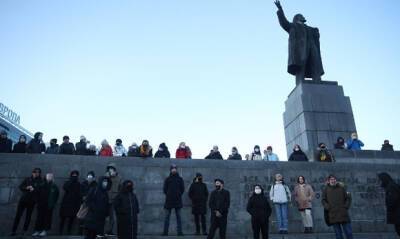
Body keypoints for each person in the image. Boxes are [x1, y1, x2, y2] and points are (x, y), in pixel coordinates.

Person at [274, 0, 324, 85]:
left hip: (312, 47)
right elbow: (284, 22)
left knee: (315, 63)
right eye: (301, 16)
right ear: (297, 18)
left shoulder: (310, 28)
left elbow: (316, 35)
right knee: (301, 65)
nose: (303, 17)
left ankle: (317, 80)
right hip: (300, 50)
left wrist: (316, 32)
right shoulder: (293, 26)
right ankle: (300, 81)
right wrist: (280, 9)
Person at [10, 168, 43, 236]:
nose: (36, 173)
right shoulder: (27, 179)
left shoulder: (40, 181)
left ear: (39, 173)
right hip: (23, 200)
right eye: (35, 172)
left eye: (38, 172)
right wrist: (26, 188)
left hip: (32, 201)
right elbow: (20, 186)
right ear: (32, 172)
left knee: (28, 217)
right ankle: (13, 231)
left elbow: (41, 190)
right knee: (18, 215)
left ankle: (24, 231)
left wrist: (34, 189)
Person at [322, 175, 353, 239]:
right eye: (331, 179)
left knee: (349, 233)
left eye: (334, 179)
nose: (333, 181)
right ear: (328, 181)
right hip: (333, 214)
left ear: (336, 180)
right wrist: (327, 207)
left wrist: (346, 206)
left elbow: (348, 197)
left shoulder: (342, 187)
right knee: (338, 235)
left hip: (343, 213)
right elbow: (323, 200)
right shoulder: (326, 189)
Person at [162, 164, 185, 236]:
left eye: (175, 168)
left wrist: (178, 194)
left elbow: (182, 189)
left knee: (179, 217)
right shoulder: (167, 179)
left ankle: (180, 232)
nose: (174, 169)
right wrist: (169, 194)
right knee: (167, 218)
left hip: (178, 200)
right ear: (171, 170)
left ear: (176, 170)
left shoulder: (180, 179)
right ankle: (165, 233)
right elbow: (165, 189)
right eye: (172, 168)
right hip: (169, 201)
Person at [59, 170, 82, 235]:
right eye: (73, 175)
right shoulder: (67, 182)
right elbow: (65, 188)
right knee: (63, 218)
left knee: (71, 219)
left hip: (74, 204)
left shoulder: (78, 184)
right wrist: (71, 181)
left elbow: (79, 194)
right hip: (66, 203)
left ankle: (68, 231)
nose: (74, 176)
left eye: (76, 175)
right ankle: (60, 231)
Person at [378, 173, 400, 237]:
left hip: (398, 214)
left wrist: (387, 205)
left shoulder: (391, 187)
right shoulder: (391, 186)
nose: (379, 182)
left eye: (380, 180)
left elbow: (392, 200)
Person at [105, 164, 123, 236]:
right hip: (105, 199)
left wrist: (118, 197)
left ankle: (109, 230)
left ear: (115, 170)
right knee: (105, 217)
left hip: (114, 200)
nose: (110, 170)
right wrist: (107, 177)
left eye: (112, 169)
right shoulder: (105, 176)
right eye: (109, 169)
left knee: (112, 217)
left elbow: (121, 188)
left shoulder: (119, 178)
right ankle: (104, 231)